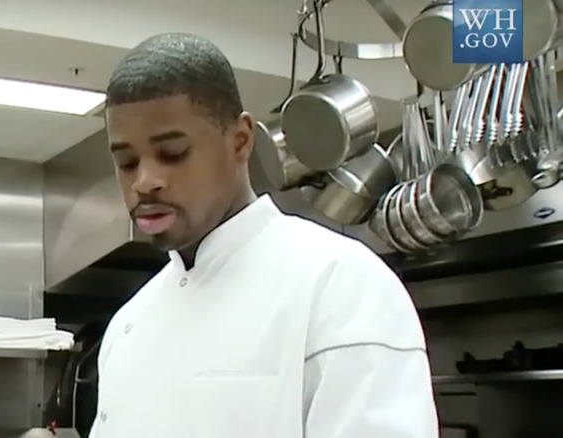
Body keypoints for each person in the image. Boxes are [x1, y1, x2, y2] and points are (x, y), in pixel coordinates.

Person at [89, 32, 438, 438]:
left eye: (173, 154)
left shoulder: (338, 284)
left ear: (240, 140)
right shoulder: (130, 321)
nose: (145, 182)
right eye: (127, 162)